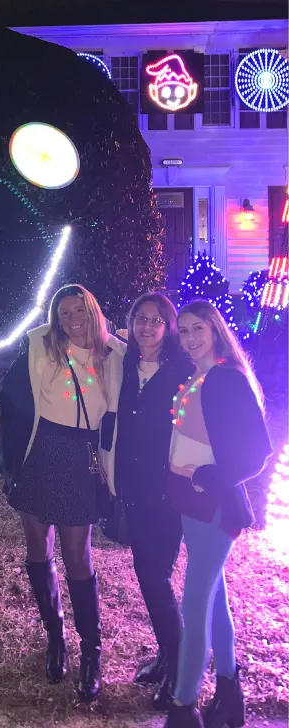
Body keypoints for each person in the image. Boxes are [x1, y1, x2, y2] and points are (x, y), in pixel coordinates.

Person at [0, 284, 126, 702]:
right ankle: (55, 637)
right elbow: (9, 399)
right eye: (64, 312)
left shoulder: (115, 355)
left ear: (93, 311)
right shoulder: (40, 347)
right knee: (39, 548)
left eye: (79, 311)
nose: (72, 319)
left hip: (80, 459)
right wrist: (11, 459)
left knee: (77, 554)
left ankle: (92, 652)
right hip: (40, 454)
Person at [164, 300, 272, 728]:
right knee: (214, 599)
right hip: (189, 502)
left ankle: (183, 707)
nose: (189, 339)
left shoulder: (226, 378)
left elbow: (256, 452)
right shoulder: (198, 376)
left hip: (213, 505)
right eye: (184, 331)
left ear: (215, 330)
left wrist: (212, 474)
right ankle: (229, 693)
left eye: (197, 330)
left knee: (195, 605)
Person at [115, 293, 194, 712]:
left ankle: (180, 669)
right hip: (134, 488)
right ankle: (167, 657)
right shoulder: (125, 366)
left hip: (167, 491)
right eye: (140, 319)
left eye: (156, 320)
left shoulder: (182, 370)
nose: (147, 327)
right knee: (147, 574)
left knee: (156, 575)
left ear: (169, 326)